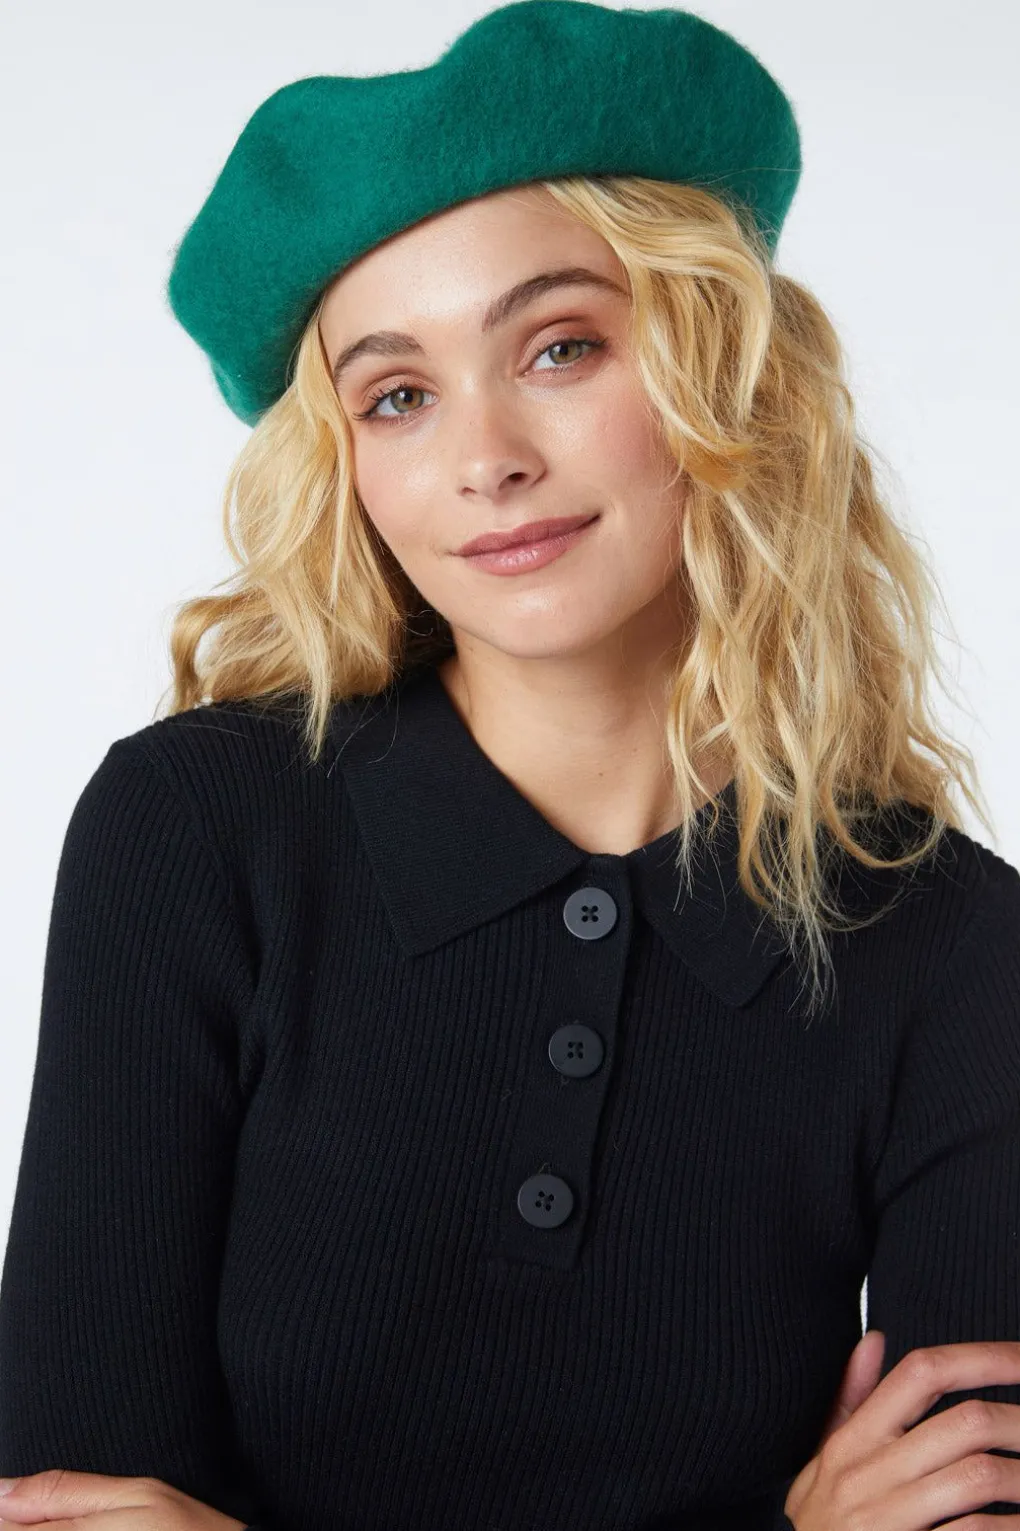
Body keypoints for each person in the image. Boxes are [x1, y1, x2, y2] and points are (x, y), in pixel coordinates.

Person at [1, 3, 1018, 1529]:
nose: (487, 459)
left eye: (561, 347)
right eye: (398, 396)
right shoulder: (197, 832)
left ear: (720, 368)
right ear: (348, 466)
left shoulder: (955, 945)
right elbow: (65, 1502)